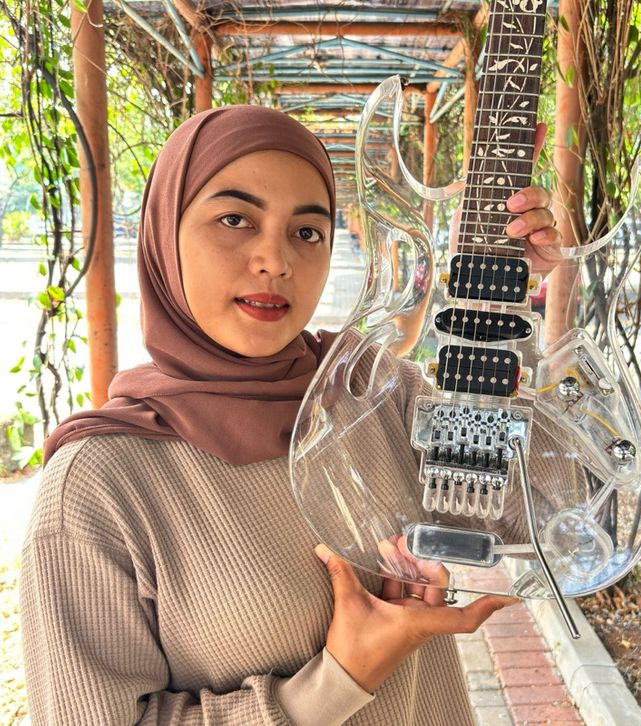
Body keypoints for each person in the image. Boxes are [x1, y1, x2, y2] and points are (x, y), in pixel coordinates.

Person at [19, 105, 561, 725]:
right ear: (165, 233)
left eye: (307, 231)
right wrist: (335, 682)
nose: (275, 260)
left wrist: (500, 317)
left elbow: (549, 511)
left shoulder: (369, 390)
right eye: (234, 220)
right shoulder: (99, 487)